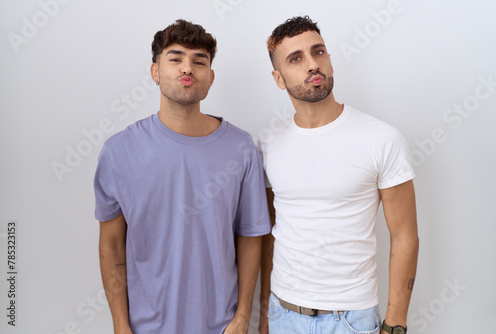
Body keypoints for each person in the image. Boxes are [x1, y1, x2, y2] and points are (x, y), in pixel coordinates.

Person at [94, 19, 270, 334]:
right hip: (144, 327)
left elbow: (250, 237)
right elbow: (111, 245)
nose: (187, 68)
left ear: (210, 77)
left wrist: (243, 317)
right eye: (175, 59)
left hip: (222, 327)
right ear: (155, 72)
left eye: (198, 61)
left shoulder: (242, 148)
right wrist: (121, 326)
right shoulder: (119, 151)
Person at [258, 16, 419, 334]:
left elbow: (405, 236)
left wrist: (396, 323)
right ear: (279, 78)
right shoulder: (266, 143)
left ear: (329, 59)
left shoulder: (380, 138)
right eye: (296, 58)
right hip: (283, 314)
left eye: (318, 52)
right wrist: (265, 311)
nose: (312, 65)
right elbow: (268, 232)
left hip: (352, 318)